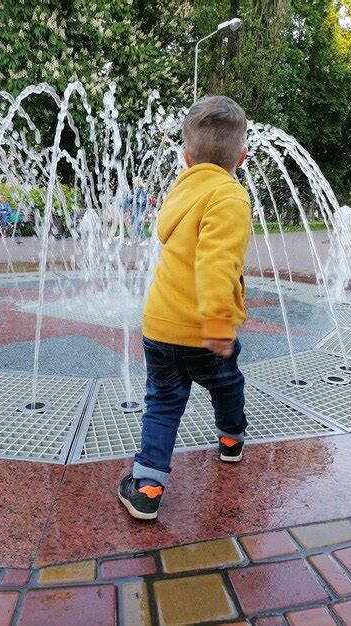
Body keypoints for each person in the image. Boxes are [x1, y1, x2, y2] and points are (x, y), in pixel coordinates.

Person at [118, 96, 251, 520]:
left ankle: (147, 486)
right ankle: (231, 439)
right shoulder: (229, 196)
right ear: (242, 157)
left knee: (162, 404)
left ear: (186, 157)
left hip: (159, 326)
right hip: (201, 329)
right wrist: (216, 321)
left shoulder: (181, 189)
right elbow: (216, 264)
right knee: (227, 384)